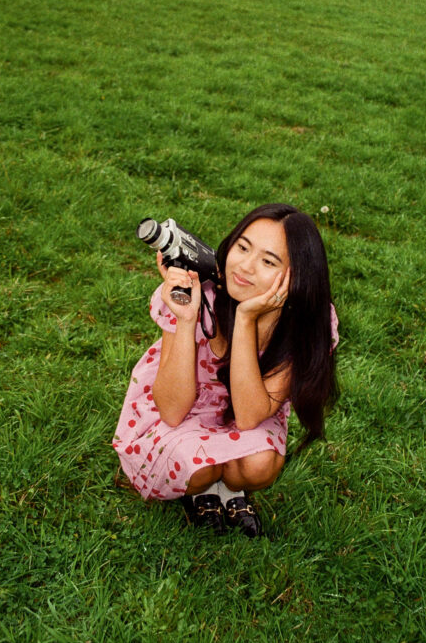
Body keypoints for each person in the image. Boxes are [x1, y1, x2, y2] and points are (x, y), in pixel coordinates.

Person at [112, 203, 339, 537]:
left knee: (260, 464)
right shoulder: (198, 293)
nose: (245, 267)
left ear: (297, 276)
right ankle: (205, 489)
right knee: (195, 465)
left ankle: (229, 489)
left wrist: (247, 318)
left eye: (268, 261)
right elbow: (172, 411)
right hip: (182, 411)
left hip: (245, 411)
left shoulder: (304, 323)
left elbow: (249, 416)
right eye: (243, 247)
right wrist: (186, 319)